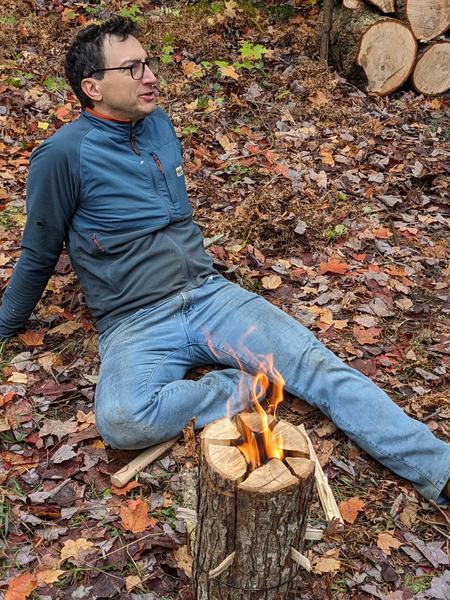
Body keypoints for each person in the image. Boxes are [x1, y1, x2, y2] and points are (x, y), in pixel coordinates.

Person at [0, 16, 448, 504]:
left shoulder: (158, 125)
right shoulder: (62, 155)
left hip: (211, 296)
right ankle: (242, 386)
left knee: (317, 365)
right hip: (135, 320)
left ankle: (438, 469)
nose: (150, 76)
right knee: (123, 418)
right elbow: (39, 252)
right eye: (133, 68)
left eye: (148, 63)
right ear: (94, 87)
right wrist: (5, 325)